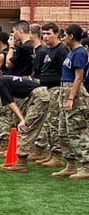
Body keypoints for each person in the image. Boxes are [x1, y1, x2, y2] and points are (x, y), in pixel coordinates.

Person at [0, 63, 48, 173]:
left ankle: (21, 163)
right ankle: (20, 159)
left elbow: (11, 103)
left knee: (26, 127)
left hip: (38, 96)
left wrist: (22, 119)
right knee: (27, 125)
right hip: (36, 95)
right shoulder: (3, 80)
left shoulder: (0, 82)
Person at [51, 24, 89, 179]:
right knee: (63, 131)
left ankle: (86, 165)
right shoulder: (71, 52)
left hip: (75, 93)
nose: (63, 38)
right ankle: (71, 164)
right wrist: (62, 95)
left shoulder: (80, 52)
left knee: (77, 130)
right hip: (65, 89)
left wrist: (71, 98)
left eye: (65, 35)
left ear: (72, 36)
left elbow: (78, 77)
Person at [31, 22, 70, 166]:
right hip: (46, 88)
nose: (45, 37)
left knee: (54, 123)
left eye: (49, 33)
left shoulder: (62, 50)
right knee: (47, 122)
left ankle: (57, 155)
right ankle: (50, 152)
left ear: (57, 34)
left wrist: (62, 93)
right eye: (44, 34)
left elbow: (66, 72)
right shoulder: (48, 49)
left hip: (56, 89)